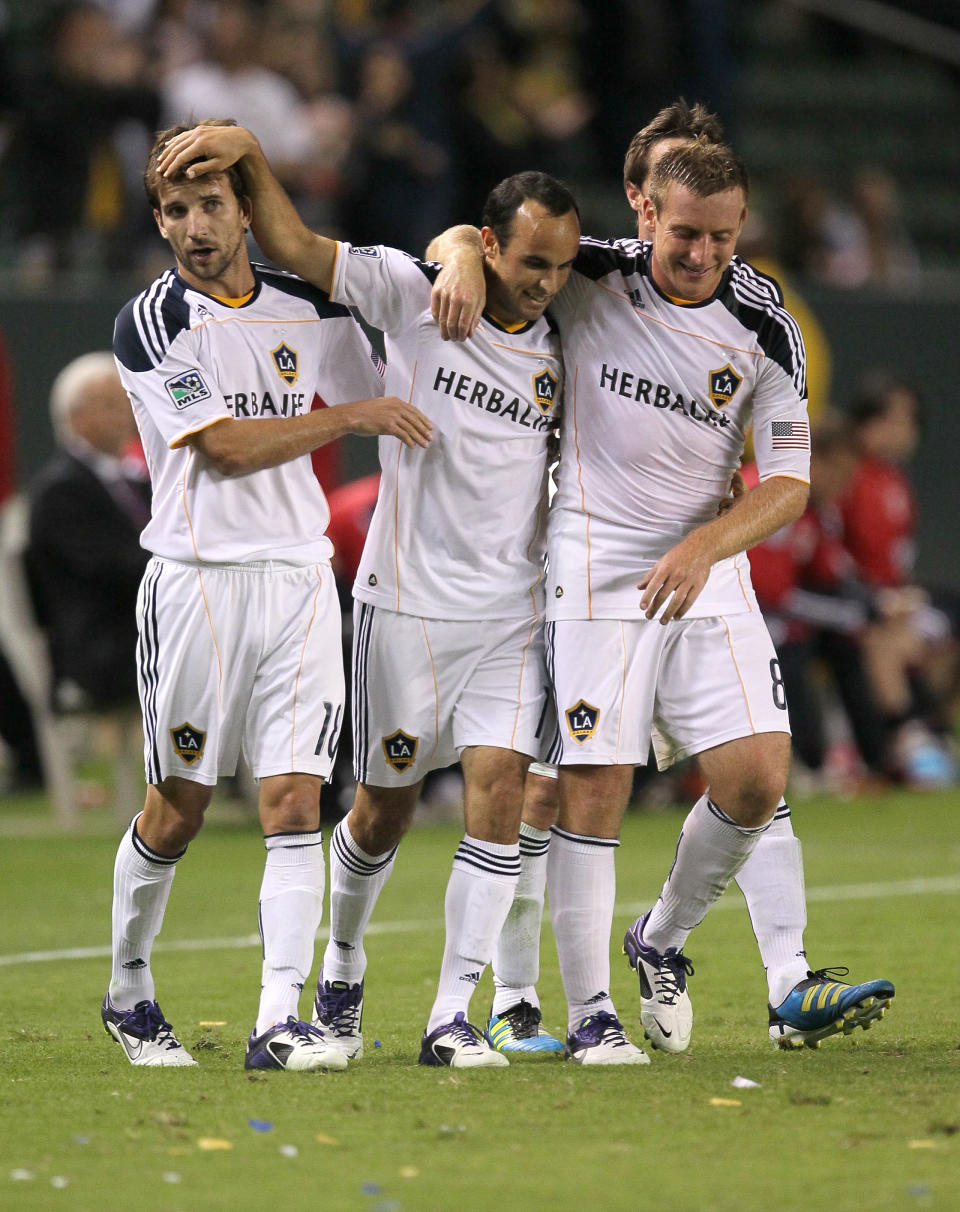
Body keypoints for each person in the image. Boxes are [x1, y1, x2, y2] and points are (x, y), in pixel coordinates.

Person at [433, 120, 894, 1061]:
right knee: (592, 787)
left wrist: (704, 547)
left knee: (760, 778)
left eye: (723, 236)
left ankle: (661, 941)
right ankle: (591, 1008)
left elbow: (790, 483)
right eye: (686, 233)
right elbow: (479, 248)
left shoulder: (767, 324)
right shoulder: (591, 273)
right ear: (645, 210)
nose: (703, 254)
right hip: (596, 562)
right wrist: (450, 254)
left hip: (704, 565)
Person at [156, 122, 586, 1067]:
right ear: (492, 243)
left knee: (499, 799)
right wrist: (253, 159)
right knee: (381, 809)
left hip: (510, 610)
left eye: (559, 266)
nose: (547, 281)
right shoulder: (416, 298)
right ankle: (342, 966)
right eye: (528, 260)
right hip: (403, 606)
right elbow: (300, 250)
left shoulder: (573, 335)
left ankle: (451, 1014)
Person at [101, 117, 432, 1071]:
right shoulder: (153, 321)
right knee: (181, 804)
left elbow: (402, 378)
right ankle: (129, 990)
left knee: (296, 798)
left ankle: (279, 1021)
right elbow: (227, 448)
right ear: (160, 224)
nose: (196, 225)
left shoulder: (306, 306)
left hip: (297, 579)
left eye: (212, 203)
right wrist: (353, 415)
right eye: (176, 209)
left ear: (247, 208)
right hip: (198, 586)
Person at [25, 353, 150, 715]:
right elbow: (112, 569)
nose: (125, 415)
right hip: (105, 644)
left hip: (142, 628)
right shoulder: (61, 490)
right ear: (75, 417)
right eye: (110, 405)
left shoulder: (134, 477)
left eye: (126, 402)